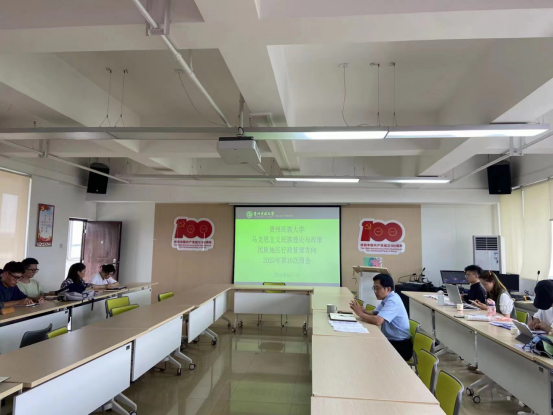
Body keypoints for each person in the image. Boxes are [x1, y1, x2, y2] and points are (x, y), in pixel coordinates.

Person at [349, 273, 412, 360]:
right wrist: (363, 311)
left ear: (388, 289)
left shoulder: (393, 301)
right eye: (374, 288)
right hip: (391, 341)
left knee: (366, 352)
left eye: (377, 288)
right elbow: (375, 313)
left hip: (400, 346)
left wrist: (361, 314)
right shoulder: (387, 298)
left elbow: (378, 321)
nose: (375, 291)